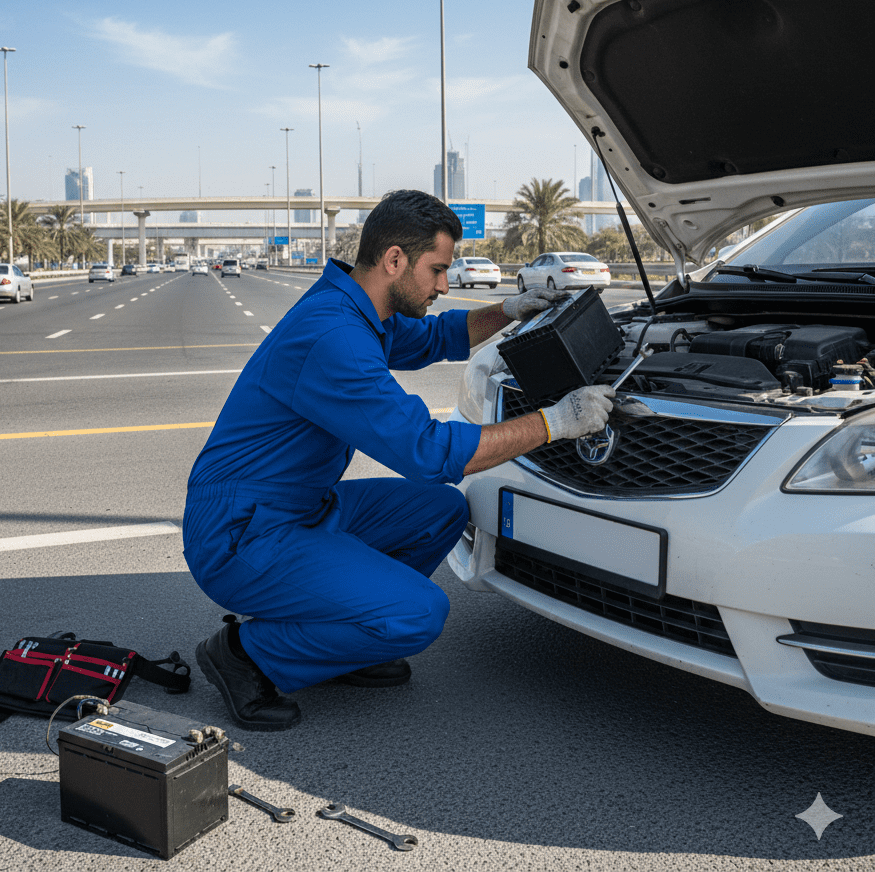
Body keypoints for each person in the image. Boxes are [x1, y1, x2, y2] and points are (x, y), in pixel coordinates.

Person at [183, 191, 615, 730]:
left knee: (439, 511)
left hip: (297, 508)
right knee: (420, 613)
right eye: (437, 270)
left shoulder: (355, 308)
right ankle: (245, 653)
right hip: (240, 531)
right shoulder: (333, 336)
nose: (443, 285)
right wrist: (555, 423)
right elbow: (427, 452)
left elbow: (436, 335)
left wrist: (507, 312)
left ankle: (345, 637)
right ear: (394, 260)